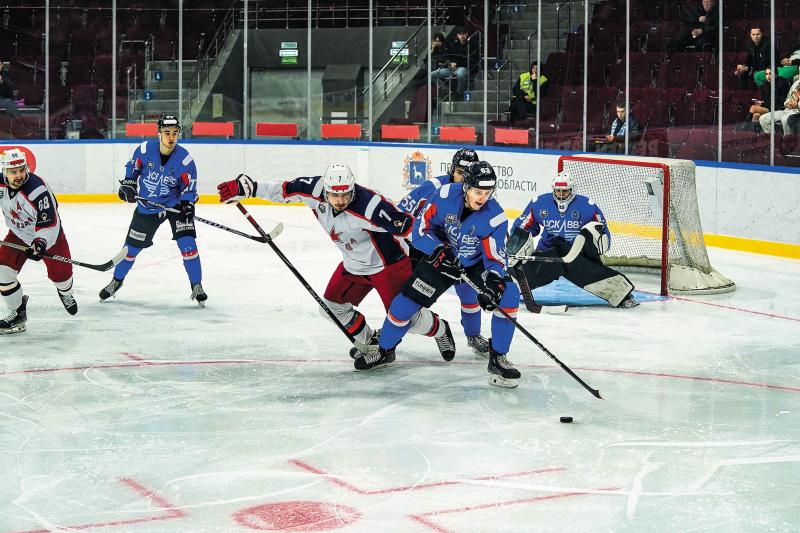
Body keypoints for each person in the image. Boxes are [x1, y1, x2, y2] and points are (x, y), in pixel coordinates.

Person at [216, 164, 456, 366]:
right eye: (335, 195)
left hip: (389, 265)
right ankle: (371, 342)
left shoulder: (370, 206)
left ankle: (440, 328)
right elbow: (283, 190)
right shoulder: (313, 190)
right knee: (331, 307)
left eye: (345, 195)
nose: (340, 201)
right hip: (353, 265)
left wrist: (438, 251)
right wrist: (248, 188)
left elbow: (409, 228)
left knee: (409, 320)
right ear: (326, 192)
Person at [372, 161, 523, 389]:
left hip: (474, 264)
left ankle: (498, 359)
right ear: (465, 187)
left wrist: (493, 282)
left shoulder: (496, 217)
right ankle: (385, 350)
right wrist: (437, 250)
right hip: (440, 259)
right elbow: (420, 230)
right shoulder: (443, 195)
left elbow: (495, 256)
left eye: (487, 192)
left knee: (509, 293)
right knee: (404, 305)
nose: (482, 197)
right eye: (478, 191)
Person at [99, 113, 206, 305]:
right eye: (167, 132)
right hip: (148, 206)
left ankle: (196, 285)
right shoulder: (144, 149)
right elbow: (132, 171)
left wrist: (188, 205)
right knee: (130, 250)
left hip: (175, 206)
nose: (171, 137)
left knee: (188, 245)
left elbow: (189, 189)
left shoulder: (186, 161)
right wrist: (129, 186)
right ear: (159, 133)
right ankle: (116, 281)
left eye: (175, 132)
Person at [396, 147, 489, 356]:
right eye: (459, 171)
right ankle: (390, 341)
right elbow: (401, 212)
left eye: (468, 172)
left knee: (469, 295)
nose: (463, 177)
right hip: (428, 253)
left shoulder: (479, 194)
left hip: (461, 253)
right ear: (452, 169)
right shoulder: (434, 186)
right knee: (409, 301)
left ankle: (473, 336)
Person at [507, 171, 638, 310]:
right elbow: (521, 228)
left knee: (580, 264)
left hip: (577, 253)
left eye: (565, 191)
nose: (561, 195)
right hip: (547, 252)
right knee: (550, 254)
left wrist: (599, 242)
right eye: (558, 191)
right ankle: (504, 287)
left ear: (572, 190)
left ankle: (622, 294)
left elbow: (602, 231)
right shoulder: (539, 203)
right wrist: (517, 244)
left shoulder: (587, 206)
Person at [0, 148, 77, 334]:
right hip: (18, 233)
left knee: (62, 276)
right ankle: (17, 314)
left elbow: (50, 222)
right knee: (1, 271)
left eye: (21, 170)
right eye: (13, 172)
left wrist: (40, 242)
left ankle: (66, 293)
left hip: (49, 237)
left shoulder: (37, 189)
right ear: (4, 171)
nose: (18, 175)